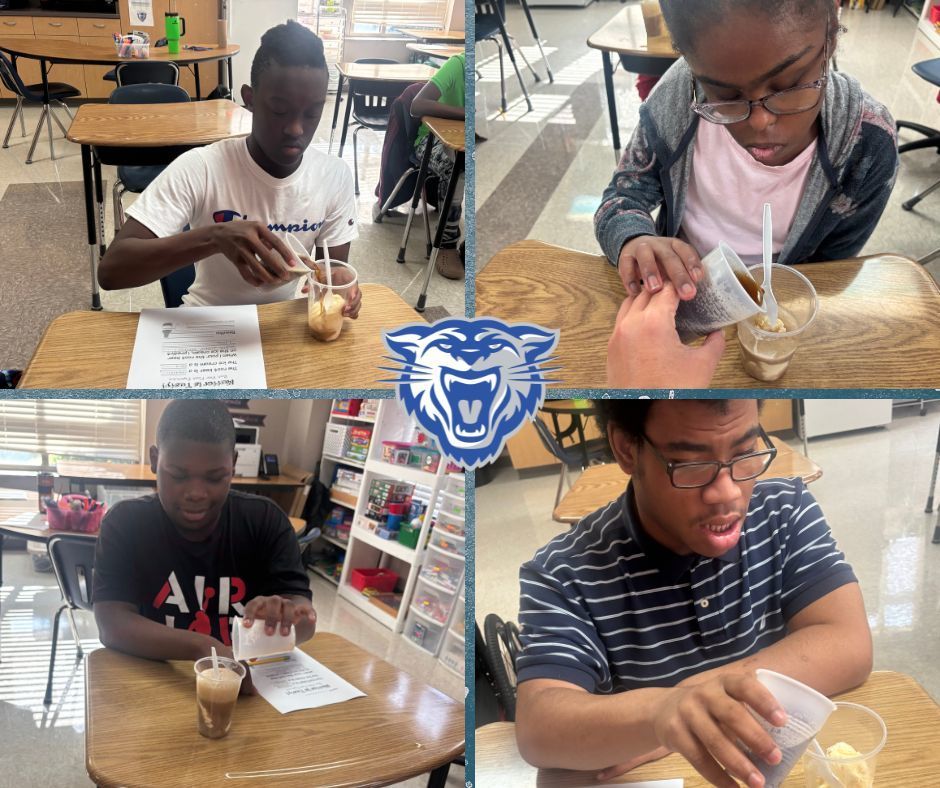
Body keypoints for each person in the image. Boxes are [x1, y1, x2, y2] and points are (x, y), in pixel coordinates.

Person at [515, 399, 871, 788]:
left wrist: (690, 700)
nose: (727, 494)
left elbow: (849, 643)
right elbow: (539, 728)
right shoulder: (562, 572)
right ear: (627, 449)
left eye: (745, 452)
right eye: (691, 464)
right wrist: (659, 714)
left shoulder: (784, 510)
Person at [596, 0, 897, 379]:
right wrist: (634, 238)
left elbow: (831, 272)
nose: (760, 121)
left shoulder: (866, 149)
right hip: (680, 305)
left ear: (830, 38)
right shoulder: (676, 102)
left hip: (776, 316)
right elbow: (622, 197)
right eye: (724, 95)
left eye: (790, 86)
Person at [98, 20, 361, 315]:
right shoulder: (202, 168)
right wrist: (214, 238)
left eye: (312, 113)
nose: (296, 129)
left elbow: (332, 273)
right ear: (249, 99)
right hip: (209, 320)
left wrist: (341, 286)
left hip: (281, 324)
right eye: (279, 110)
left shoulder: (333, 176)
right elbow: (111, 271)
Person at [93, 400, 316, 692]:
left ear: (233, 464)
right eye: (178, 475)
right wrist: (204, 648)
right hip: (158, 683)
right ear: (155, 459)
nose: (196, 493)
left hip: (245, 689)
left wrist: (286, 617)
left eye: (215, 477)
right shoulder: (125, 524)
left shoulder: (265, 520)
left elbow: (306, 620)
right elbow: (111, 623)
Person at [409, 52, 466, 280]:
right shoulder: (458, 64)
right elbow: (417, 105)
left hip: (464, 142)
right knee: (457, 169)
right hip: (430, 139)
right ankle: (447, 242)